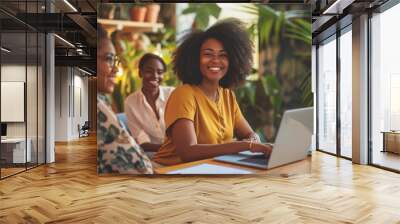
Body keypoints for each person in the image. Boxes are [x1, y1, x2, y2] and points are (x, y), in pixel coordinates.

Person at [153, 18, 272, 166]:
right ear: (195, 59)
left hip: (210, 169)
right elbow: (188, 152)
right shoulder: (184, 94)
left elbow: (249, 134)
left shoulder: (228, 96)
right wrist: (246, 146)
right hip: (170, 171)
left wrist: (253, 140)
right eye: (208, 54)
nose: (216, 60)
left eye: (223, 55)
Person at [97, 24, 153, 174]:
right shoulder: (98, 105)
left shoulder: (102, 99)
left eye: (115, 60)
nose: (115, 69)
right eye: (108, 59)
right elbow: (138, 167)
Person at [124, 53, 174, 153]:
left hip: (181, 151)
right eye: (149, 71)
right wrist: (168, 149)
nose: (155, 76)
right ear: (140, 73)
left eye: (159, 72)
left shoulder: (172, 94)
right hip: (153, 154)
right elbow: (142, 142)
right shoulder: (130, 102)